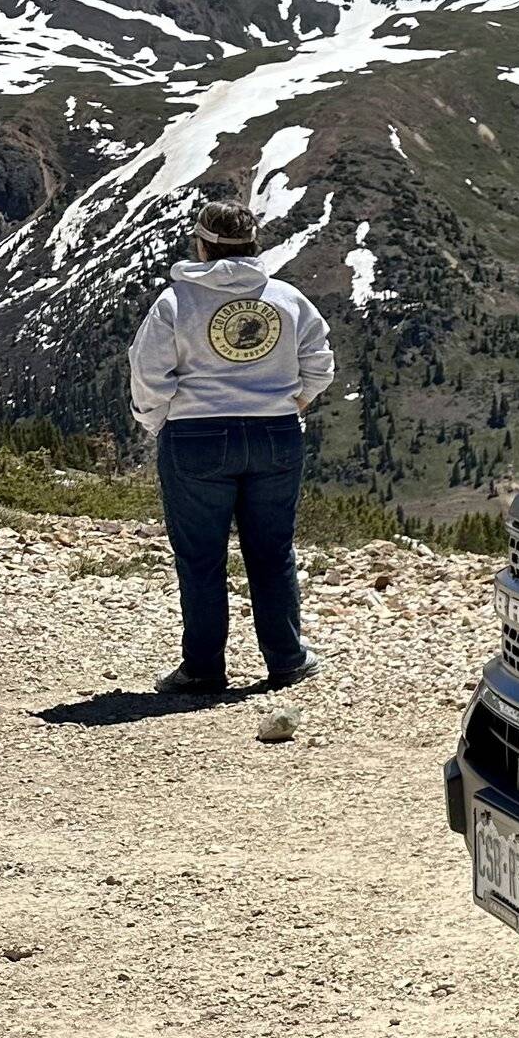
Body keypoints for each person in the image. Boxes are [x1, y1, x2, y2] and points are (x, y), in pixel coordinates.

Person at [128, 199, 336, 695]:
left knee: (201, 557)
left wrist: (161, 423)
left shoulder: (176, 302)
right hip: (276, 434)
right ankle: (287, 660)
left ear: (201, 244)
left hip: (196, 436)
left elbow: (148, 374)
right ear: (253, 244)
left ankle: (202, 668)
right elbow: (320, 362)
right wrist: (295, 403)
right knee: (272, 552)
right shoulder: (287, 299)